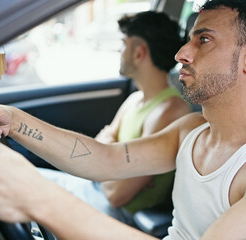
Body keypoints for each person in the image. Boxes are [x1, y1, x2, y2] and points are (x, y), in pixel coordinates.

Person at [0, 0, 246, 239]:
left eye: (203, 40)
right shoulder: (193, 131)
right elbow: (104, 159)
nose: (181, 52)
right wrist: (13, 120)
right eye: (188, 38)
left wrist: (40, 198)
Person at [37, 11, 189, 226]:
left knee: (25, 188)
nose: (120, 50)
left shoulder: (169, 111)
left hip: (115, 213)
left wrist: (102, 160)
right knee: (20, 175)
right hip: (93, 190)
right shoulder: (135, 100)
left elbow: (117, 195)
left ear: (139, 53)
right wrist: (108, 165)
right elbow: (101, 144)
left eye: (123, 44)